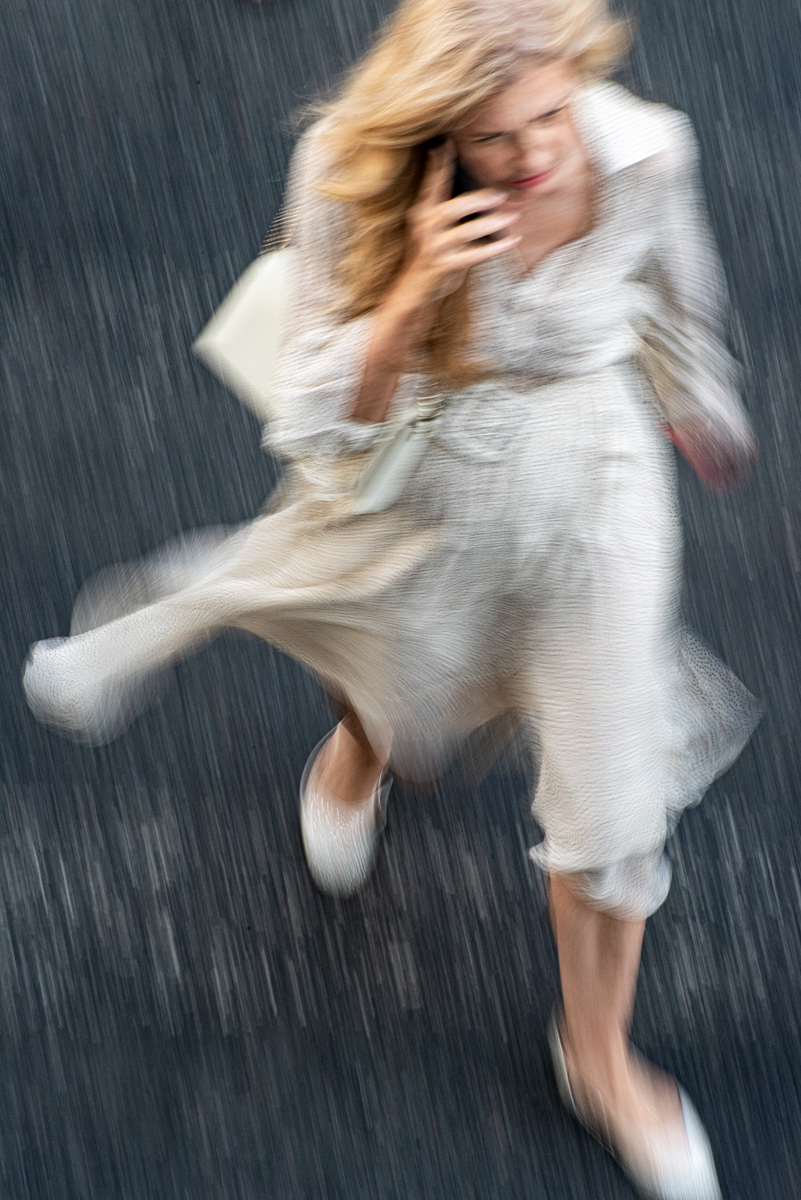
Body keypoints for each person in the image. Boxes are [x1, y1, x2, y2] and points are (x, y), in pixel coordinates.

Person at [23, 0, 760, 1195]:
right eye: (498, 137)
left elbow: (677, 309)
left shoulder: (647, 152)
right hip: (414, 498)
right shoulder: (345, 173)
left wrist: (700, 405)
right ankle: (363, 747)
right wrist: (415, 291)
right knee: (406, 709)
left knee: (615, 821)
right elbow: (313, 415)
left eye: (552, 113)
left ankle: (599, 1058)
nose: (540, 153)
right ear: (436, 134)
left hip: (593, 514)